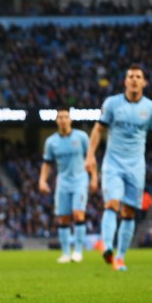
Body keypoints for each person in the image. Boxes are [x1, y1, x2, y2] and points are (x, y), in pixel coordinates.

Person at [85, 65, 152, 271]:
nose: (134, 80)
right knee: (112, 203)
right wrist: (90, 155)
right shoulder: (112, 104)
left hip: (136, 165)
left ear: (144, 82)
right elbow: (98, 129)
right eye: (130, 76)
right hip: (113, 163)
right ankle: (107, 246)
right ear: (125, 81)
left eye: (138, 77)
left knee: (129, 212)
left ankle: (120, 258)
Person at [38, 107, 97, 263]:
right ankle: (65, 253)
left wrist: (94, 178)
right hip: (62, 182)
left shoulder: (81, 137)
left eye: (65, 116)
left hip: (80, 180)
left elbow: (90, 158)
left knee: (78, 214)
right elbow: (47, 163)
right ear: (57, 121)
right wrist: (42, 180)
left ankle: (78, 251)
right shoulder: (51, 142)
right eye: (60, 117)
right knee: (63, 219)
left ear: (70, 119)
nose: (63, 119)